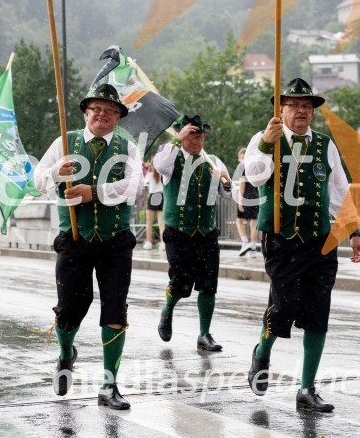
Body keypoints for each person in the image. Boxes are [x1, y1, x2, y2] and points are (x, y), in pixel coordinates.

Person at [245, 78, 360, 412]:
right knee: (285, 306)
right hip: (281, 240)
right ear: (281, 109)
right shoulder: (264, 138)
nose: (302, 111)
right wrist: (267, 144)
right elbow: (255, 177)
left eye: (307, 106)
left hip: (321, 241)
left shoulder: (325, 144)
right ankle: (261, 353)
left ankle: (307, 388)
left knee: (318, 313)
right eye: (295, 105)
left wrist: (354, 231)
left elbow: (339, 188)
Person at [34, 83, 143, 410]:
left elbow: (134, 187)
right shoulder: (64, 143)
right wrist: (56, 172)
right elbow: (37, 180)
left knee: (115, 309)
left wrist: (92, 192)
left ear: (118, 117)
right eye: (96, 109)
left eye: (110, 111)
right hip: (74, 240)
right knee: (69, 310)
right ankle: (66, 353)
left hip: (116, 241)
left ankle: (109, 385)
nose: (102, 115)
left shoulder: (128, 147)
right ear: (86, 113)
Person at [153, 115, 231, 351]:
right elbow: (160, 165)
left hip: (207, 231)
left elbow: (228, 195)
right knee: (181, 283)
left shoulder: (213, 161)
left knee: (208, 284)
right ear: (181, 136)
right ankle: (167, 310)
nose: (195, 141)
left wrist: (226, 182)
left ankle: (204, 334)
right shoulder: (170, 157)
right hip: (179, 231)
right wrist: (178, 139)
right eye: (190, 136)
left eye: (199, 136)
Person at [235, 147, 260, 257]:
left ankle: (245, 243)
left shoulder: (242, 168)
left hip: (246, 197)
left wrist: (240, 201)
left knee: (239, 221)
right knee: (253, 223)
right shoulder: (254, 167)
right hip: (255, 197)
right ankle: (253, 248)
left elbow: (242, 184)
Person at [142, 159, 165, 251]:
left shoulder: (149, 175)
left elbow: (144, 183)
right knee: (161, 223)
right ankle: (163, 243)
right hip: (161, 197)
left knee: (149, 222)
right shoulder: (163, 175)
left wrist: (148, 169)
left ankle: (149, 242)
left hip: (153, 197)